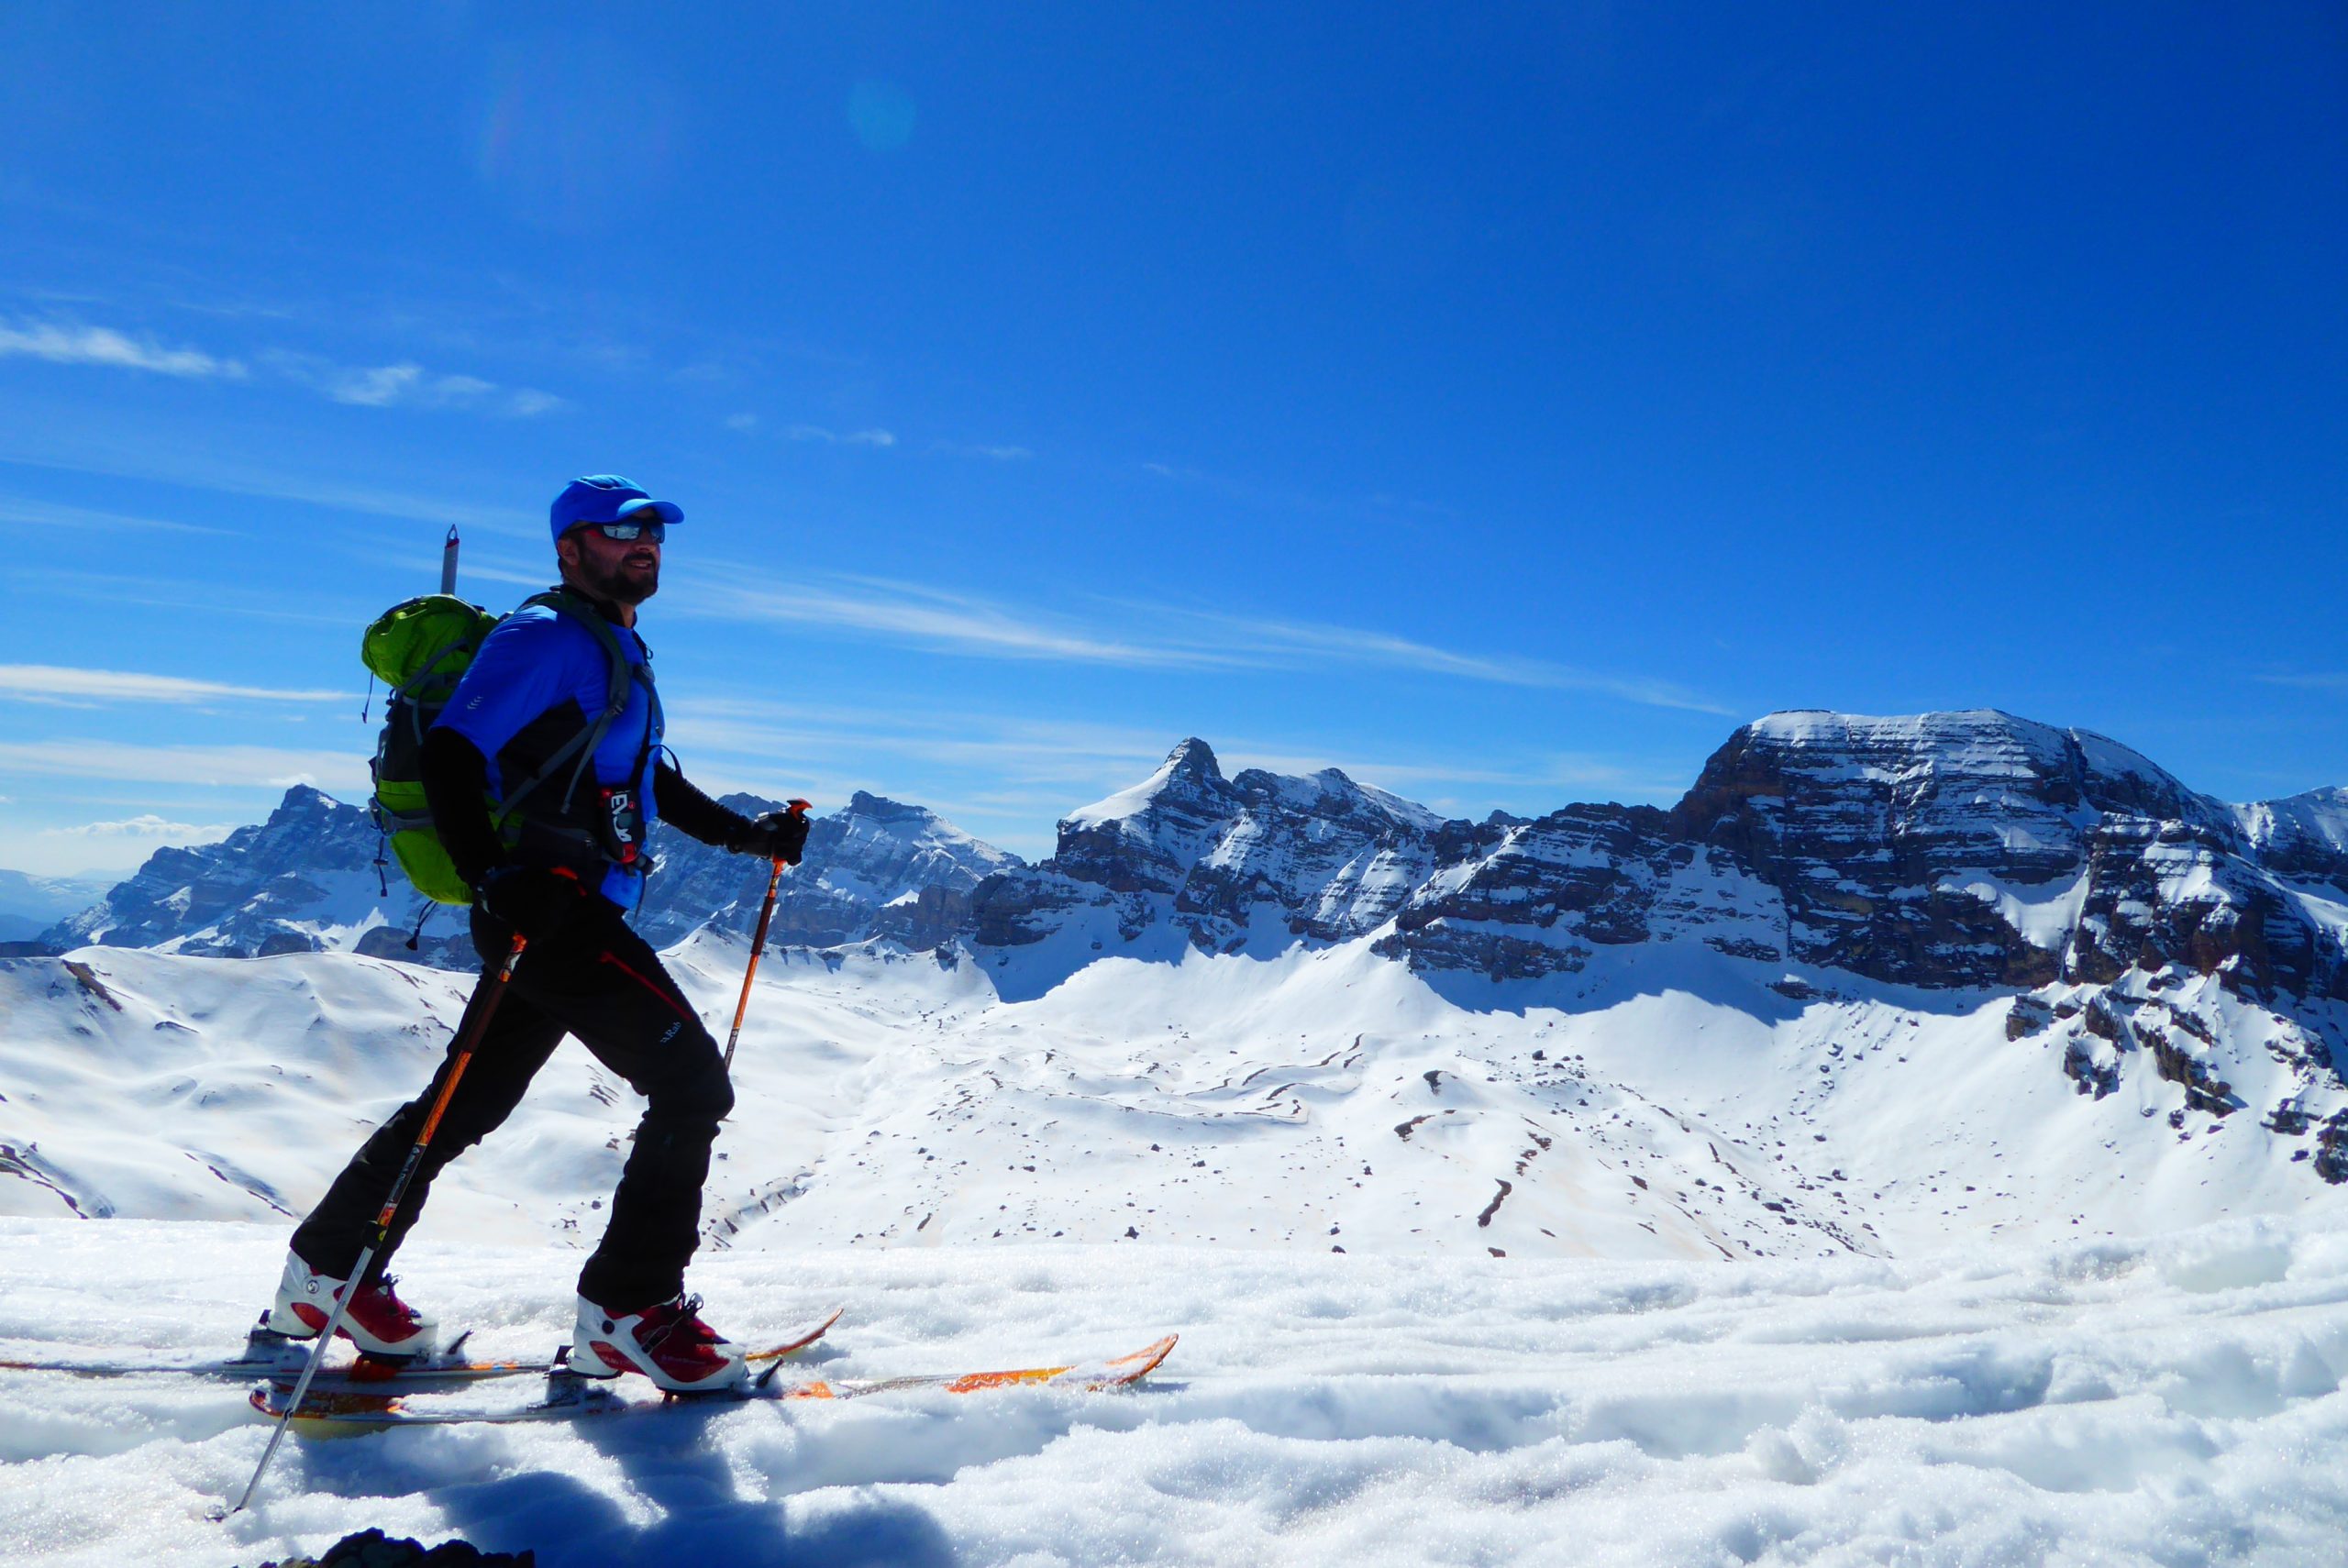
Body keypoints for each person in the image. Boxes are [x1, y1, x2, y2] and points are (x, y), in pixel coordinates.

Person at [266, 475, 810, 1391]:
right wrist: (496, 878)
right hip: (551, 913)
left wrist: (744, 835)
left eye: (655, 532)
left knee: (461, 1107)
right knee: (691, 1089)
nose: (645, 544)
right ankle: (630, 1310)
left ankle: (325, 1278)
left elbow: (641, 779)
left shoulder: (614, 645)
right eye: (622, 530)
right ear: (570, 547)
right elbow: (452, 751)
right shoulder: (545, 637)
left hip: (554, 910)